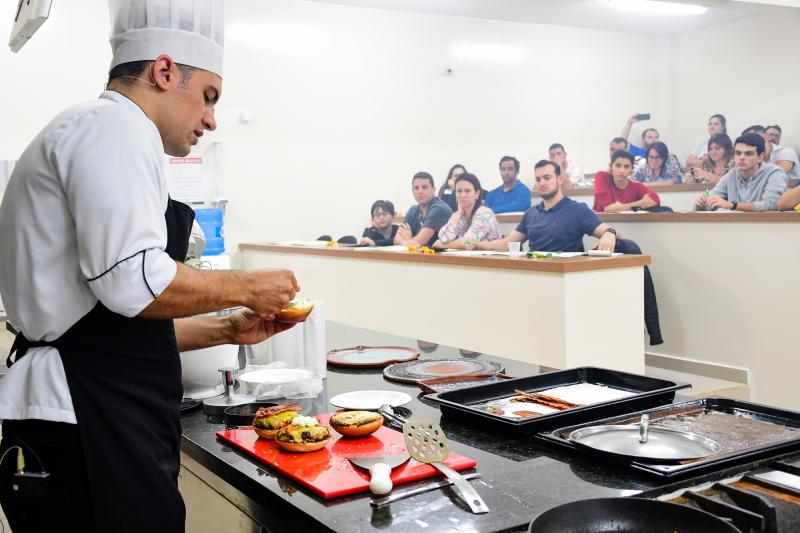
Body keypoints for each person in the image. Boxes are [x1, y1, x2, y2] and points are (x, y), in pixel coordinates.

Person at [0, 2, 301, 531]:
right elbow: (132, 282)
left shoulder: (98, 131)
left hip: (91, 401)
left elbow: (105, 325)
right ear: (164, 71)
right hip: (89, 420)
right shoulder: (114, 128)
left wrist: (227, 327)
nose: (211, 118)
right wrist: (249, 286)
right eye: (209, 96)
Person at [470, 160, 663, 345]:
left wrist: (609, 234)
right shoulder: (531, 214)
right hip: (535, 283)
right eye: (538, 179)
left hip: (566, 287)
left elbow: (608, 231)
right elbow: (508, 243)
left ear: (559, 179)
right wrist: (478, 245)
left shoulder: (577, 210)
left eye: (547, 178)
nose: (542, 183)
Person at [695, 133, 788, 212]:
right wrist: (702, 203)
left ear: (760, 157)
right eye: (738, 153)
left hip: (765, 228)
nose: (742, 157)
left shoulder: (775, 173)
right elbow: (711, 195)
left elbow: (771, 205)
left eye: (748, 153)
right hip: (735, 228)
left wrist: (733, 205)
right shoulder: (732, 174)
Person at [433, 173, 501, 249]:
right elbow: (443, 238)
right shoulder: (457, 215)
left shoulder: (485, 213)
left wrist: (444, 245)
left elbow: (469, 242)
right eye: (459, 191)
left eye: (467, 191)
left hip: (493, 258)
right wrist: (458, 214)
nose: (463, 195)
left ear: (477, 193)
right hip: (469, 258)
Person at [395, 171, 453, 247]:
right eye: (416, 188)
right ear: (412, 191)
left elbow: (419, 242)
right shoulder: (413, 210)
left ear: (434, 189)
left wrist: (407, 240)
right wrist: (407, 242)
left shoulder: (439, 209)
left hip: (445, 257)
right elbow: (396, 239)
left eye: (424, 187)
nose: (420, 191)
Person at [593, 150, 660, 213]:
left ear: (632, 169)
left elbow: (655, 200)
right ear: (610, 166)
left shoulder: (636, 187)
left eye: (626, 167)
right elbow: (608, 209)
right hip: (600, 223)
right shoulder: (602, 177)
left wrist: (621, 207)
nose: (622, 170)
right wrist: (640, 204)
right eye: (618, 165)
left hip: (626, 224)